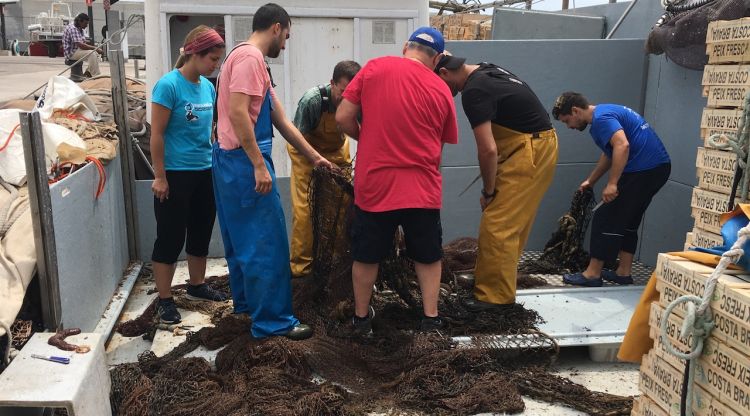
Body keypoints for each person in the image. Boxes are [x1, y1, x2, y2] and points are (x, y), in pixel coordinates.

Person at [213, 3, 333, 340]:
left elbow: (280, 119)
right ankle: (274, 322)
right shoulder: (251, 59)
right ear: (276, 28)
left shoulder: (243, 58)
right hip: (243, 162)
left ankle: (249, 306)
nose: (286, 44)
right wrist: (256, 165)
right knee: (267, 244)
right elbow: (239, 114)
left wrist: (315, 157)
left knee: (241, 242)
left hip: (227, 161)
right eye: (287, 36)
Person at [336, 27, 458, 334]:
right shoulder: (442, 89)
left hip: (376, 185)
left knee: (366, 255)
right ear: (438, 58)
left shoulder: (376, 67)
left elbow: (342, 117)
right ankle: (431, 319)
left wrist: (367, 138)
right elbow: (438, 150)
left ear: (407, 46)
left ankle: (362, 319)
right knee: (428, 255)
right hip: (422, 189)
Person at [434, 53, 559, 312]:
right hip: (537, 144)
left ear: (445, 73)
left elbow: (488, 150)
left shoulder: (473, 91)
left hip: (528, 150)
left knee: (498, 224)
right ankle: (494, 280)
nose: (442, 91)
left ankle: (494, 299)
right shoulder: (486, 69)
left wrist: (488, 191)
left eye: (439, 83)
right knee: (512, 223)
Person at [149, 26, 227, 324]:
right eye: (212, 59)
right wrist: (160, 176)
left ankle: (196, 286)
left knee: (201, 230)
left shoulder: (207, 87)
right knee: (170, 237)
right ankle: (165, 299)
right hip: (175, 174)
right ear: (193, 53)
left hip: (204, 171)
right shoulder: (168, 86)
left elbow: (210, 129)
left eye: (218, 60)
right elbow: (156, 134)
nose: (215, 65)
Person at [552, 92, 671, 287]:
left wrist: (612, 183)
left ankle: (592, 274)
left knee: (605, 216)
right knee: (629, 220)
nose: (570, 127)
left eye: (567, 121)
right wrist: (591, 180)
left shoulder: (601, 119)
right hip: (657, 168)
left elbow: (622, 146)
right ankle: (623, 272)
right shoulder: (605, 112)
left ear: (575, 110)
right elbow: (610, 152)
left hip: (643, 169)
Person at [289, 60, 361, 278]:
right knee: (305, 212)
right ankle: (301, 270)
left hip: (337, 153)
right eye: (343, 92)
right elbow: (296, 137)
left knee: (341, 210)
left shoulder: (360, 100)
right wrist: (316, 159)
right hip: (305, 152)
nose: (348, 98)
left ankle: (335, 262)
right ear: (332, 83)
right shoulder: (313, 101)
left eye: (353, 93)